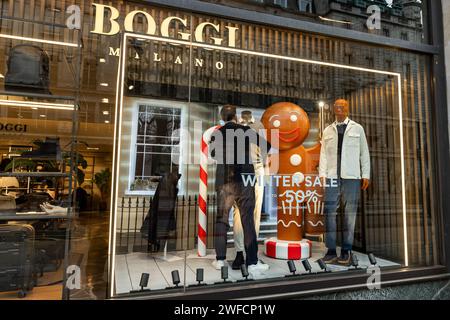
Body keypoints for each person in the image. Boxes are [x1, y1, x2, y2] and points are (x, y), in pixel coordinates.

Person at [209, 105, 270, 274]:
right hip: (245, 178)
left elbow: (213, 155)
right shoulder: (244, 131)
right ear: (235, 116)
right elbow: (267, 146)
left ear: (222, 118)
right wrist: (254, 158)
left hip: (225, 181)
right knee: (248, 220)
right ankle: (252, 262)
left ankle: (220, 260)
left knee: (222, 219)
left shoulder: (217, 133)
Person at [319, 99, 371, 265]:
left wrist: (366, 174)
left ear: (347, 109)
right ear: (334, 110)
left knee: (350, 214)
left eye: (342, 107)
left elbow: (364, 153)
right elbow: (323, 154)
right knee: (329, 213)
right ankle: (331, 250)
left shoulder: (358, 128)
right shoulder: (328, 130)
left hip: (352, 177)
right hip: (332, 176)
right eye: (337, 107)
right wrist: (322, 174)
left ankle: (347, 250)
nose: (339, 109)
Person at [232, 110, 267, 270]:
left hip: (257, 169)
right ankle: (241, 252)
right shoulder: (236, 126)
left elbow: (265, 150)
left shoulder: (259, 126)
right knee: (239, 213)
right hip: (241, 170)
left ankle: (250, 252)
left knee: (254, 212)